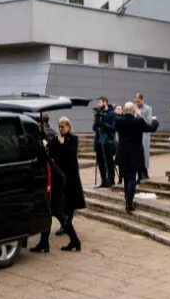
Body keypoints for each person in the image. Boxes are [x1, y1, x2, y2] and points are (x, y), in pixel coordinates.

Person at [30, 116, 69, 254]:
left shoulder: (40, 139)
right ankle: (45, 242)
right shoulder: (41, 137)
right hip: (54, 175)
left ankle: (45, 243)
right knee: (52, 209)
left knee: (48, 209)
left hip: (54, 177)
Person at [48, 117, 84, 251]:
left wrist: (62, 144)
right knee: (62, 199)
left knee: (71, 200)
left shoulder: (73, 139)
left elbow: (71, 153)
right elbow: (52, 153)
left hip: (71, 174)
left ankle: (68, 222)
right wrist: (56, 143)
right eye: (59, 126)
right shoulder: (56, 139)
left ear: (68, 126)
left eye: (63, 126)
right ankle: (66, 224)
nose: (61, 129)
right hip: (60, 173)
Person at [115, 102, 159, 213]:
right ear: (134, 110)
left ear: (124, 110)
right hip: (134, 154)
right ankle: (129, 203)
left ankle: (127, 198)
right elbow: (151, 128)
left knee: (125, 177)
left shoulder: (118, 121)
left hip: (122, 153)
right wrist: (154, 120)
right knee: (132, 179)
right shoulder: (137, 121)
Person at [92, 97, 117, 188]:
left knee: (109, 163)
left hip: (108, 141)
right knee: (100, 162)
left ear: (105, 102)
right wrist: (97, 122)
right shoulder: (98, 113)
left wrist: (103, 124)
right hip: (99, 141)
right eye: (98, 102)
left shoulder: (112, 114)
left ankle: (110, 181)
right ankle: (103, 181)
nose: (98, 104)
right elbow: (94, 128)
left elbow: (114, 128)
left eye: (100, 102)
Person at [134, 93, 153, 182]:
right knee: (137, 154)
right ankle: (139, 173)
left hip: (144, 134)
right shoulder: (134, 108)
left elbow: (149, 122)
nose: (137, 103)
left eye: (138, 101)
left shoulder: (148, 108)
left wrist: (140, 114)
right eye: (136, 101)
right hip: (136, 134)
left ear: (142, 100)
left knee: (144, 153)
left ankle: (145, 172)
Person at [114, 104, 124, 185]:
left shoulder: (123, 119)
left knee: (122, 163)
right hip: (115, 142)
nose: (120, 110)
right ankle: (120, 178)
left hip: (122, 143)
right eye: (118, 109)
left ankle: (121, 178)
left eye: (121, 109)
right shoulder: (114, 119)